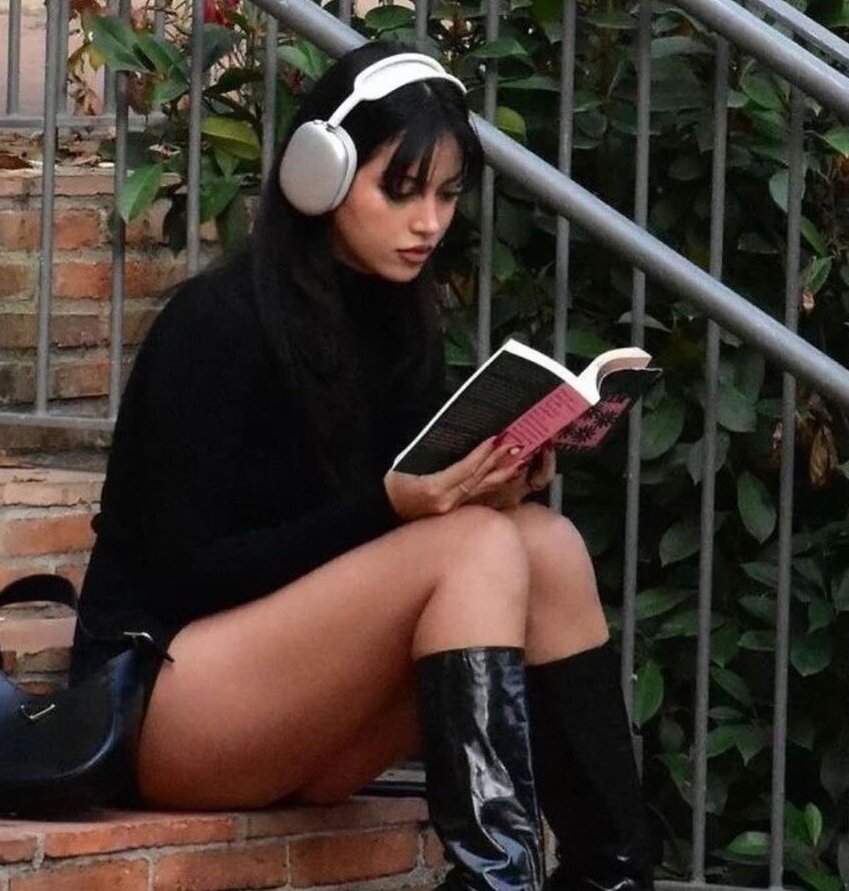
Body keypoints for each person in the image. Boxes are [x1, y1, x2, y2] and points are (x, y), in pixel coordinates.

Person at [69, 41, 654, 891]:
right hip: (161, 703)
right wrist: (392, 509)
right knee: (475, 547)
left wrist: (490, 484)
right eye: (401, 190)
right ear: (322, 175)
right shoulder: (217, 323)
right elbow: (182, 570)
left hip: (304, 721)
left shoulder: (398, 322)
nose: (429, 222)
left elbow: (389, 550)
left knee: (544, 540)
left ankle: (612, 874)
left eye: (447, 195)